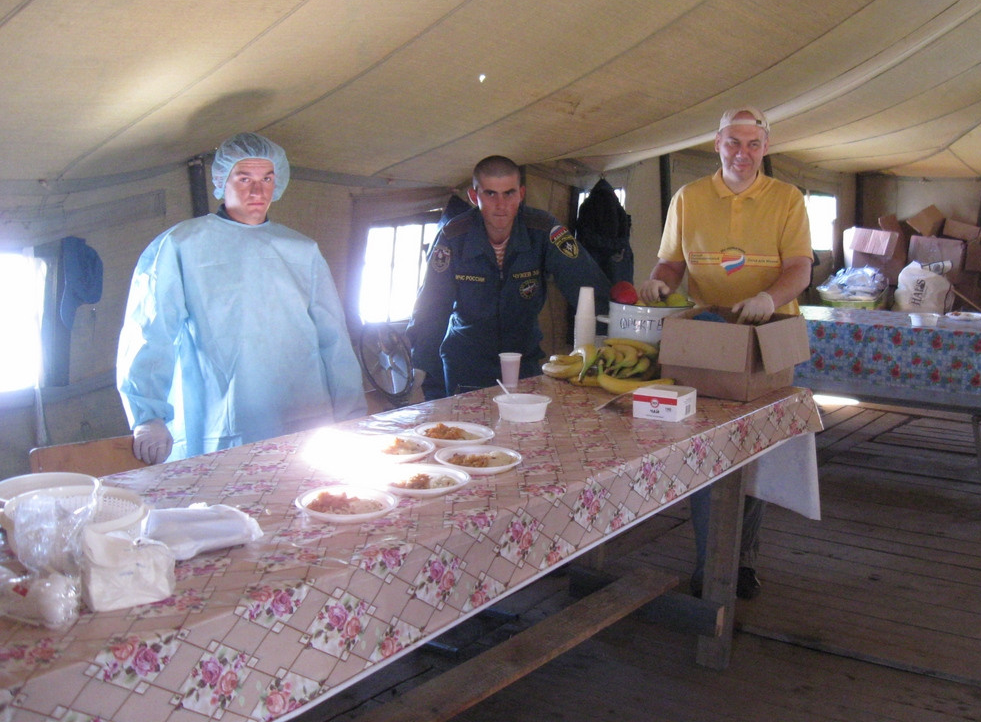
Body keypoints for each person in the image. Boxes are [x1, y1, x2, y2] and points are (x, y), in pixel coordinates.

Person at [639, 106, 813, 598]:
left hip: (769, 335)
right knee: (706, 449)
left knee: (752, 453)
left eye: (753, 144)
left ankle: (741, 562)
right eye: (733, 143)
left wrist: (767, 298)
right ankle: (710, 562)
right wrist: (658, 281)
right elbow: (671, 263)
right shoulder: (689, 197)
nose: (743, 153)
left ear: (766, 147)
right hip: (707, 335)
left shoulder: (787, 199)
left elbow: (800, 267)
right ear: (716, 144)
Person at [117, 132, 366, 464]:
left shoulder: (301, 250)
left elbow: (333, 338)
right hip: (221, 421)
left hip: (304, 415)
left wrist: (351, 411)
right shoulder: (182, 246)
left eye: (267, 179)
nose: (257, 191)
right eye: (244, 177)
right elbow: (151, 331)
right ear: (221, 179)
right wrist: (147, 414)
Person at [407, 155, 612, 399]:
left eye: (509, 193)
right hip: (467, 363)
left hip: (523, 358)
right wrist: (422, 368)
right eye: (491, 194)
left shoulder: (543, 230)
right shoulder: (453, 237)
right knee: (466, 431)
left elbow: (586, 284)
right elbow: (431, 308)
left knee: (524, 431)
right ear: (475, 196)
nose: (501, 204)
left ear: (521, 194)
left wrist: (609, 342)